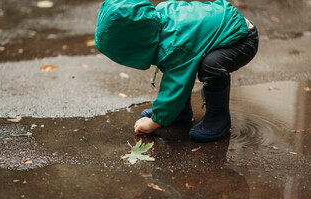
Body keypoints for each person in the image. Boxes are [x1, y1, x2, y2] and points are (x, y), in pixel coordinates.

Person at [95, 0, 258, 141]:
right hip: (226, 24)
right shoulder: (159, 17)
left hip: (242, 38)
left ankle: (218, 119)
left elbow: (176, 83)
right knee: (181, 61)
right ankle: (180, 112)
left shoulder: (174, 45)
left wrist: (155, 121)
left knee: (210, 66)